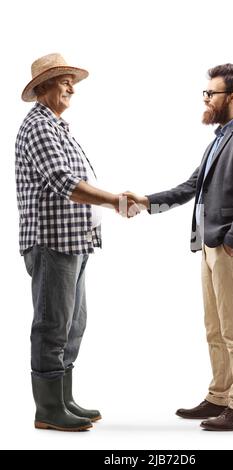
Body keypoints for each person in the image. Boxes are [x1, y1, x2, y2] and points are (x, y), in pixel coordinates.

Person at [124, 64, 233, 431]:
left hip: (229, 247)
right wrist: (145, 200)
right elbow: (190, 187)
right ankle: (220, 395)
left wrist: (232, 242)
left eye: (211, 93)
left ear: (232, 98)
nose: (205, 99)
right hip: (207, 246)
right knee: (214, 327)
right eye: (205, 93)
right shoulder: (218, 139)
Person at [15, 53, 137, 431]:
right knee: (53, 324)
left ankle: (63, 398)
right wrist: (115, 200)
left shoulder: (58, 126)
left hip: (75, 241)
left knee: (74, 323)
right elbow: (64, 182)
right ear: (42, 87)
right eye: (63, 80)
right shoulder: (38, 127)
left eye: (72, 81)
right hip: (51, 242)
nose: (71, 87)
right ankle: (48, 409)